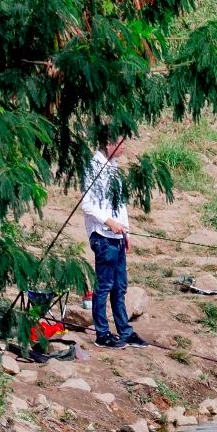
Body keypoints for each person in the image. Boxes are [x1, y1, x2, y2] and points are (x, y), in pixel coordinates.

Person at [82, 129, 144, 348]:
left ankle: (125, 331)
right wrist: (109, 223)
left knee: (120, 286)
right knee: (105, 285)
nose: (124, 147)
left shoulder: (113, 168)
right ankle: (102, 334)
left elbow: (119, 205)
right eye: (120, 142)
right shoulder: (93, 167)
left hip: (117, 237)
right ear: (109, 144)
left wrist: (126, 231)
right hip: (103, 236)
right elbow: (87, 204)